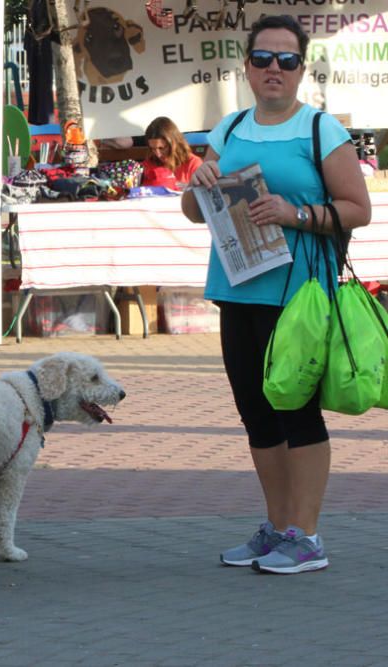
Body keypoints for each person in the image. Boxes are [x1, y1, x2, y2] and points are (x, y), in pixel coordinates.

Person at [181, 14, 371, 574]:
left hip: (299, 295)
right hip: (236, 287)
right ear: (246, 66)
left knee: (297, 411)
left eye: (287, 60)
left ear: (301, 69)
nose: (274, 70)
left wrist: (297, 214)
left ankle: (306, 537)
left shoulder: (321, 129)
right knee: (255, 415)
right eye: (263, 58)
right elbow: (195, 211)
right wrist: (198, 183)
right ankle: (279, 526)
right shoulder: (230, 128)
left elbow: (358, 209)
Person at [141, 116, 202, 189]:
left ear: (174, 144)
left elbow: (203, 193)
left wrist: (189, 189)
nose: (158, 154)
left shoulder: (193, 163)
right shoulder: (147, 165)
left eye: (162, 148)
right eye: (153, 149)